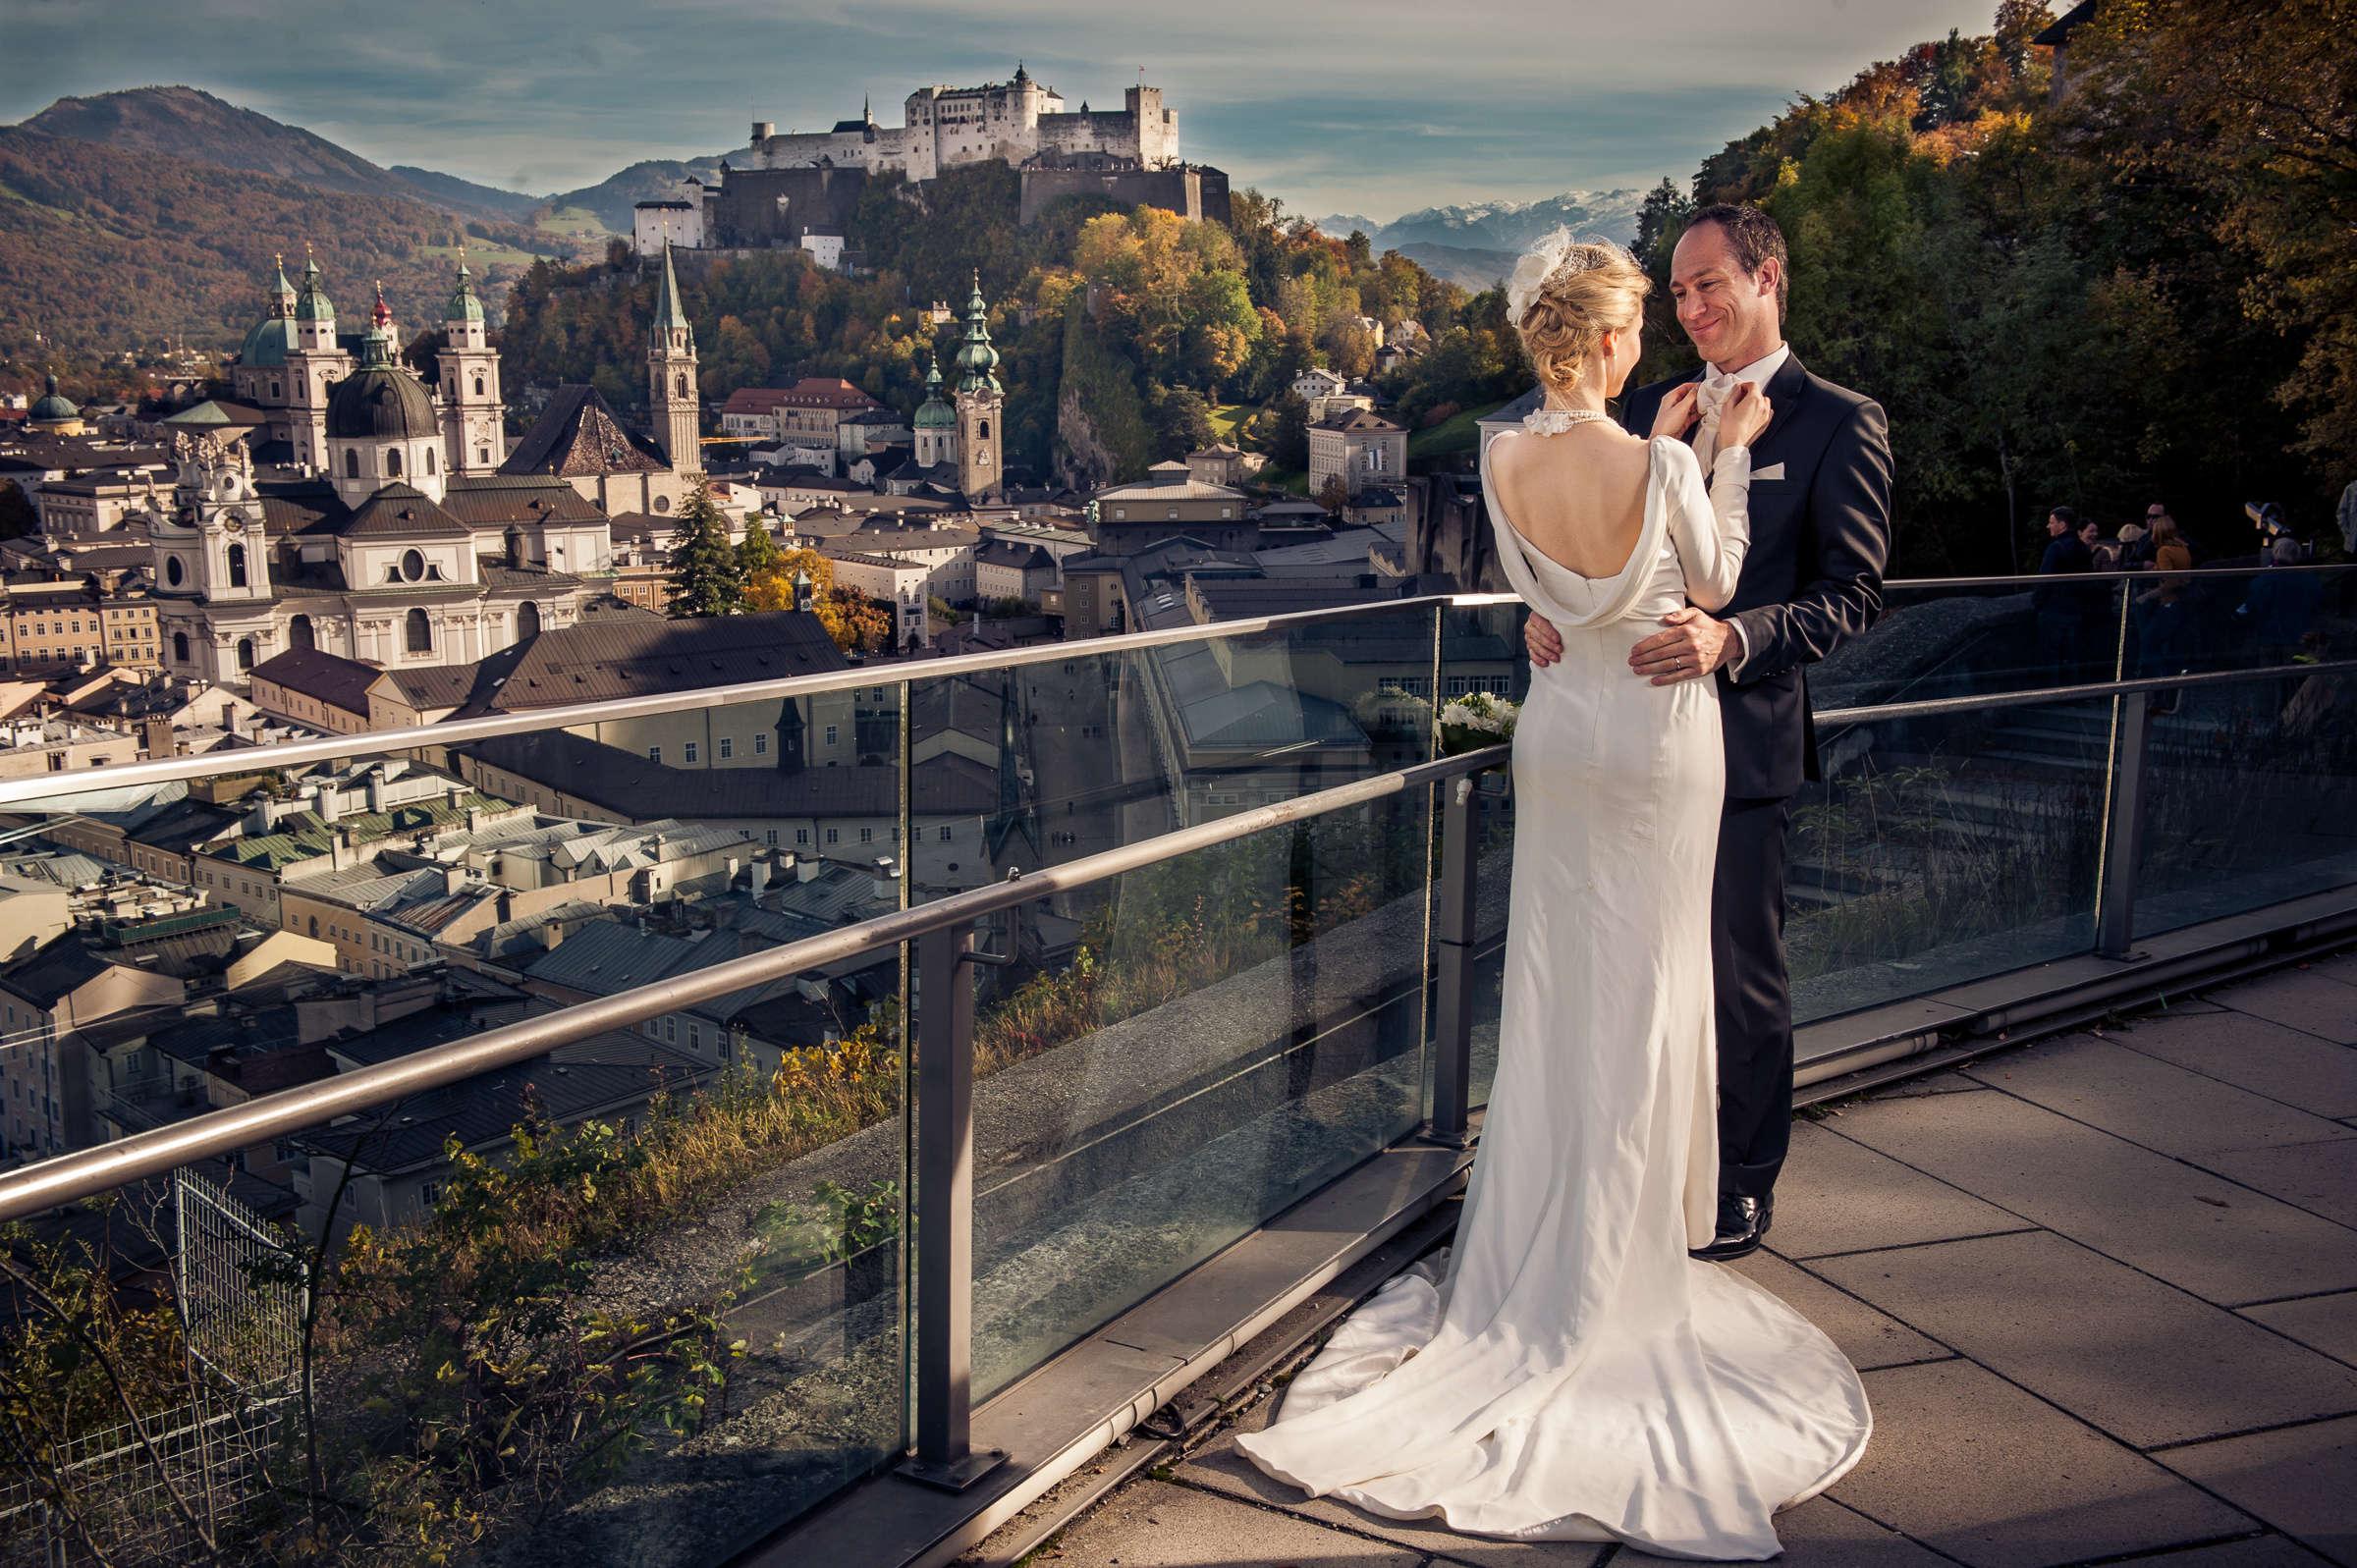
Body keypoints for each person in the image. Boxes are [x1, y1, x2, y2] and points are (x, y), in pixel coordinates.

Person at [1237, 228, 1876, 1560]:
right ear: (1603, 338)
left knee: (1553, 995)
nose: (1665, 331)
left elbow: (1549, 592)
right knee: (1645, 996)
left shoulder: (1494, 451)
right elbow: (1710, 577)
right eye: (1647, 315)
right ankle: (1618, 1264)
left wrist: (1558, 612)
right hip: (1652, 743)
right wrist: (1732, 457)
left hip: (1561, 731)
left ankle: (1531, 1252)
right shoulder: (1658, 450)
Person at [1516, 204, 1891, 1261]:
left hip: (1735, 744)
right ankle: (1626, 1173)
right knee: (1619, 967)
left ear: (1768, 276)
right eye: (1675, 293)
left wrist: (1733, 639)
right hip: (1617, 741)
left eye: (1707, 285)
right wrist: (1547, 606)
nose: (1689, 310)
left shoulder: (1838, 420)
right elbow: (1582, 527)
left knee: (1734, 973)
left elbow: (1854, 595)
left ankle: (1739, 1182)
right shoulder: (1643, 406)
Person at [2035, 505, 2093, 682]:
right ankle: (2072, 694)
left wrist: (2037, 602)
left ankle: (2050, 696)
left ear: (2062, 525)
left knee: (2050, 654)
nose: (2048, 526)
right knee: (2070, 653)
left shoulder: (2056, 548)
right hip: (2075, 609)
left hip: (2054, 608)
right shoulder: (2083, 548)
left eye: (2051, 522)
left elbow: (2045, 579)